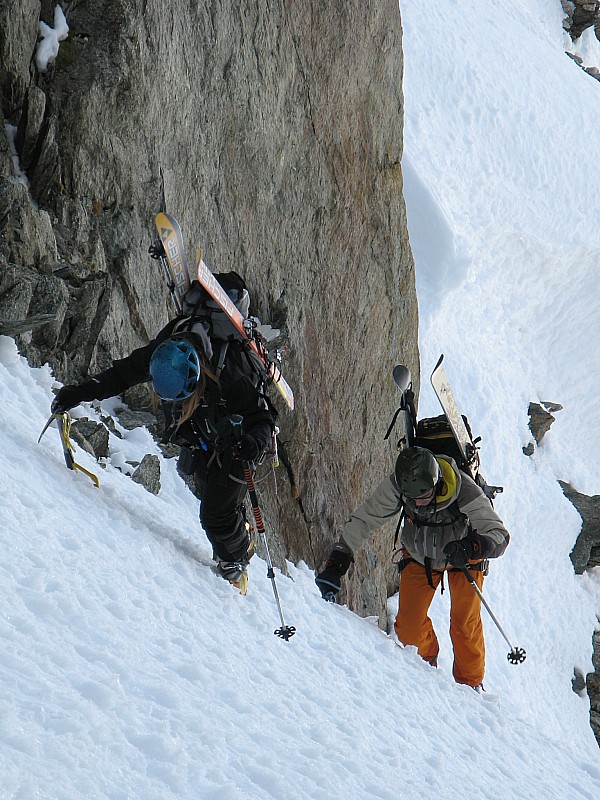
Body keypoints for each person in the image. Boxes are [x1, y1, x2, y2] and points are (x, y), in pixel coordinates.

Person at [51, 273, 276, 593]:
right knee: (202, 481)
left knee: (215, 516)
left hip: (236, 438)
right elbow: (124, 374)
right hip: (202, 430)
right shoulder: (169, 345)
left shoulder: (233, 371)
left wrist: (253, 443)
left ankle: (238, 557)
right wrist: (81, 392)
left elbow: (263, 417)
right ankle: (233, 529)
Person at [315, 446, 509, 688]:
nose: (417, 503)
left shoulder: (463, 489)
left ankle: (471, 686)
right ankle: (425, 665)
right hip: (420, 555)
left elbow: (500, 535)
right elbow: (365, 519)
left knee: (464, 624)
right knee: (408, 628)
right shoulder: (399, 485)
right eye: (412, 498)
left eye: (423, 496)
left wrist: (471, 546)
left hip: (464, 557)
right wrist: (338, 560)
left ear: (437, 484)